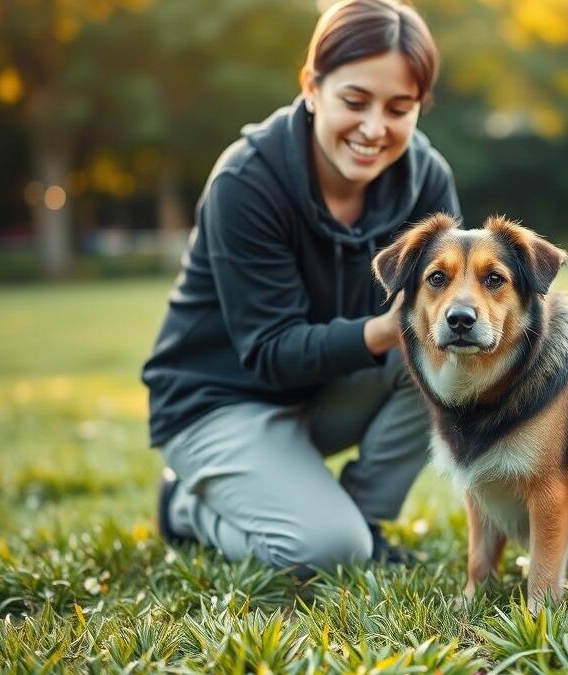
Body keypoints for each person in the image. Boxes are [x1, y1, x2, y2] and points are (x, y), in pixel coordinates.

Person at [141, 0, 460, 574]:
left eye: (399, 108)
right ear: (312, 87)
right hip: (219, 402)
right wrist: (385, 330)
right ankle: (184, 507)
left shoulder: (426, 180)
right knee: (322, 552)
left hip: (326, 390)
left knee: (446, 359)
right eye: (354, 101)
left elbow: (448, 306)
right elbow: (269, 352)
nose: (374, 129)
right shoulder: (247, 181)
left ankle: (361, 520)